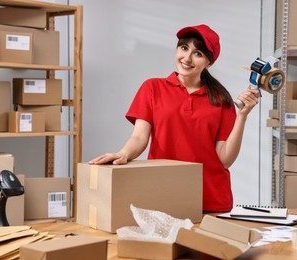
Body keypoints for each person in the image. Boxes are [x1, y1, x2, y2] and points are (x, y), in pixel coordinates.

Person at [89, 24, 260, 213]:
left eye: (198, 53)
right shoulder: (152, 88)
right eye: (184, 48)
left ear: (209, 63)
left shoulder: (221, 100)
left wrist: (242, 116)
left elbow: (225, 160)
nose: (187, 58)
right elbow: (139, 137)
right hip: (163, 192)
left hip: (209, 197)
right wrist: (124, 153)